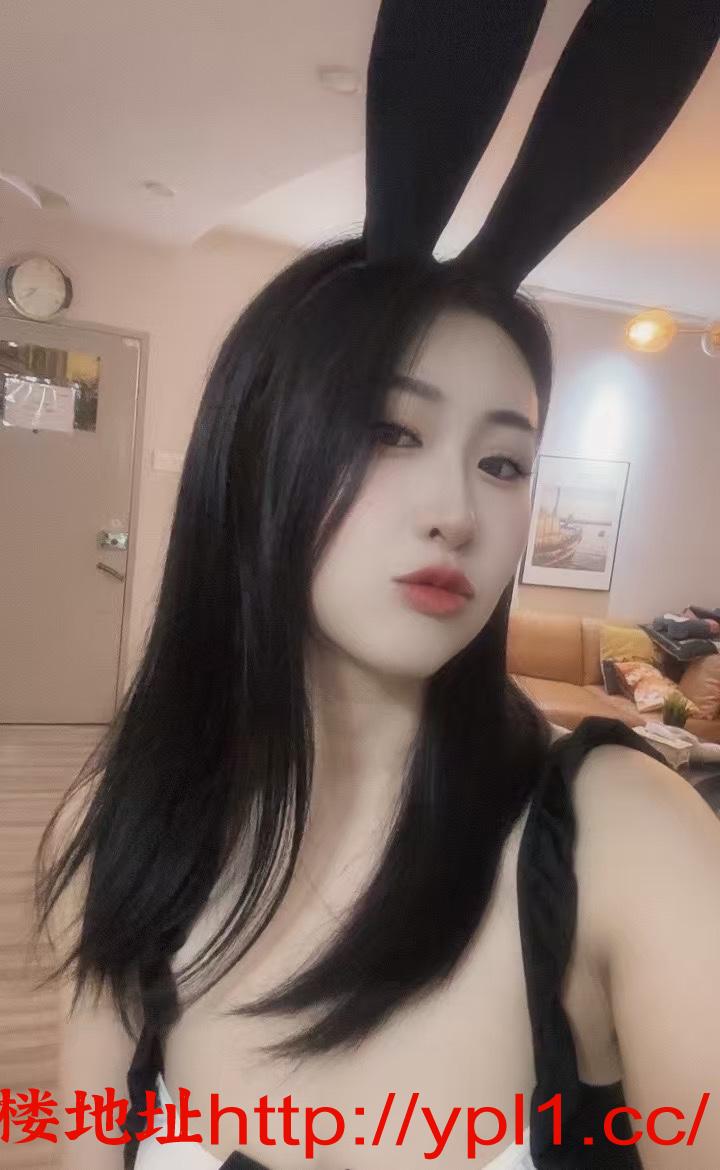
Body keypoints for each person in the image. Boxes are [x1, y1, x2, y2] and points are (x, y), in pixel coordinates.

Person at [33, 2, 720, 1168]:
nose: (457, 507)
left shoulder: (623, 843)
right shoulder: (130, 828)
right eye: (390, 432)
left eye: (503, 461)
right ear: (261, 453)